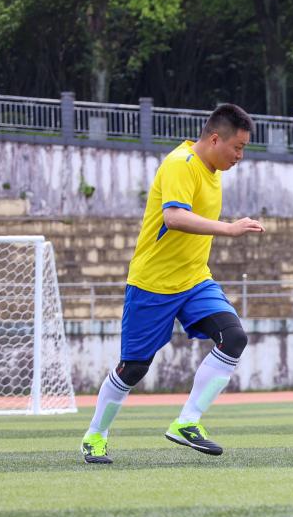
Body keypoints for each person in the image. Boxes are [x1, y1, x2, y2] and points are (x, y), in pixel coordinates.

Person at [80, 104, 265, 464]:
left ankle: (187, 422)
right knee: (134, 368)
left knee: (234, 338)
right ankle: (95, 435)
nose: (240, 156)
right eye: (238, 147)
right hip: (153, 283)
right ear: (215, 139)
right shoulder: (181, 163)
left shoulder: (214, 170)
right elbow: (174, 217)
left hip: (195, 280)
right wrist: (229, 229)